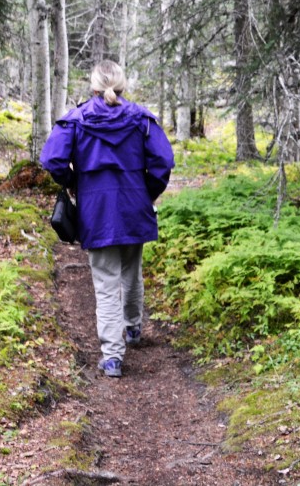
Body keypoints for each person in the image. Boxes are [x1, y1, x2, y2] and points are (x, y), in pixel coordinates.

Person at [41, 60, 175, 378]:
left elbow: (51, 159)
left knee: (105, 283)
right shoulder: (141, 118)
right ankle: (132, 330)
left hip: (96, 209)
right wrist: (148, 192)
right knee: (132, 271)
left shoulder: (75, 119)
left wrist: (73, 183)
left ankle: (113, 357)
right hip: (134, 204)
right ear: (121, 84)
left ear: (94, 87)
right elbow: (163, 161)